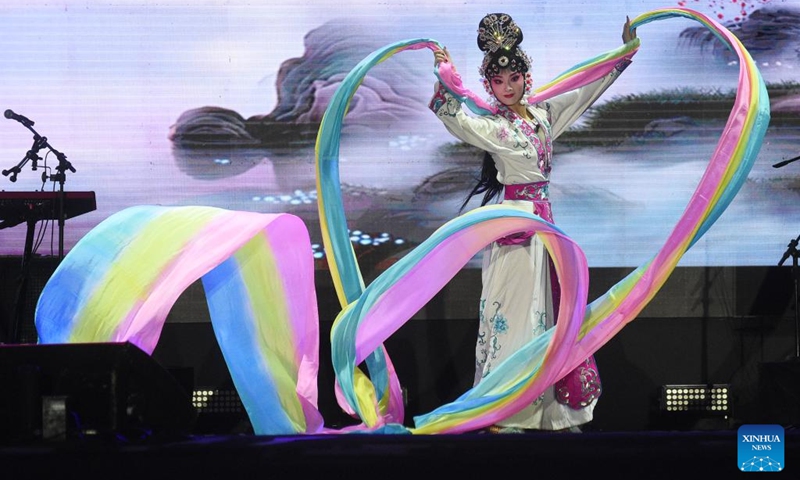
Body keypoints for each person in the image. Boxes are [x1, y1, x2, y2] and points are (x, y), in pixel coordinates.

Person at [430, 13, 637, 433]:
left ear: (526, 76)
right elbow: (455, 118)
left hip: (547, 230)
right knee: (514, 314)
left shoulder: (542, 117)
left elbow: (584, 92)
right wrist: (444, 77)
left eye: (514, 78)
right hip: (513, 229)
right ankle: (506, 409)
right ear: (489, 86)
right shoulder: (493, 127)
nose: (508, 87)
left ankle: (551, 412)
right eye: (498, 81)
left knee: (554, 317)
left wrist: (623, 56)